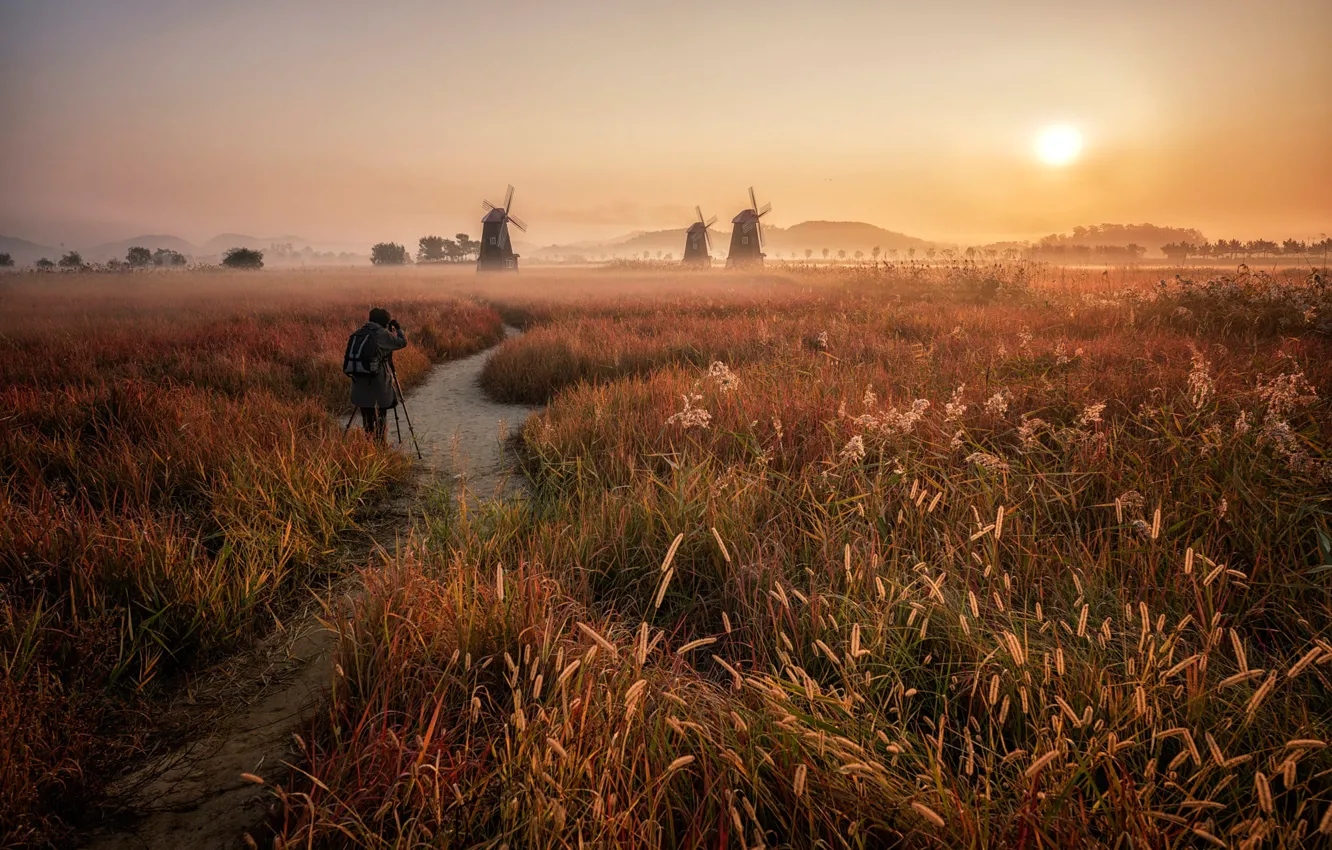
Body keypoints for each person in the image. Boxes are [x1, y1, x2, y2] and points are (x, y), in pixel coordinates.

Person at [348, 307, 407, 441]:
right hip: (378, 382)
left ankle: (369, 442)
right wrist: (398, 329)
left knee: (367, 414)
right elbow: (402, 342)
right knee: (381, 412)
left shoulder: (358, 333)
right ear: (385, 323)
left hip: (359, 381)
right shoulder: (382, 334)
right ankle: (380, 444)